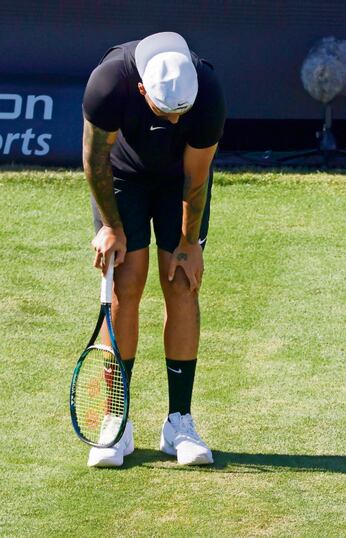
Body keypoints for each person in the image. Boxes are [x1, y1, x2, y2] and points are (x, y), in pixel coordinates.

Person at [81, 32, 225, 467]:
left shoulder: (207, 92)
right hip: (122, 176)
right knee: (125, 282)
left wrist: (188, 244)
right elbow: (95, 158)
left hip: (176, 182)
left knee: (182, 283)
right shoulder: (109, 82)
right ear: (142, 89)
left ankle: (178, 422)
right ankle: (117, 421)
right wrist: (111, 226)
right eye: (168, 113)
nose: (177, 123)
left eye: (183, 113)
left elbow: (196, 176)